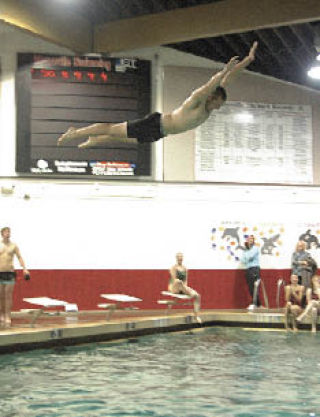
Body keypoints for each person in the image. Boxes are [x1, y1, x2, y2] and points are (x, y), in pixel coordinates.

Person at [57, 42, 258, 148]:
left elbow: (229, 79)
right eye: (218, 104)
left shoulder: (209, 105)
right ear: (212, 98)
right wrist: (223, 70)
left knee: (121, 138)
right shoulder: (197, 100)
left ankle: (96, 139)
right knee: (112, 128)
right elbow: (211, 84)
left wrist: (248, 60)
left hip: (160, 132)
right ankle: (76, 132)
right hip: (155, 123)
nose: (218, 108)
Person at [0, 227, 30, 328]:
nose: (8, 233)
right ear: (2, 234)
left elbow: (19, 257)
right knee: (1, 296)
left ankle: (8, 316)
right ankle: (2, 315)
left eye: (9, 232)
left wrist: (24, 268)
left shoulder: (13, 246)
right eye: (5, 232)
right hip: (0, 272)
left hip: (9, 273)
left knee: (8, 296)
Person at [169, 252, 201, 323]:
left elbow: (186, 281)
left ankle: (197, 316)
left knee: (197, 296)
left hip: (182, 287)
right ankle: (189, 292)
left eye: (181, 257)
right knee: (178, 281)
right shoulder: (173, 268)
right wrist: (183, 287)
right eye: (179, 257)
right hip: (174, 287)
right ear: (176, 258)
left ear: (182, 258)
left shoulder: (185, 268)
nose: (180, 258)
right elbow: (174, 280)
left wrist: (185, 288)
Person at [241, 235, 261, 310]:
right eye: (249, 239)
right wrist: (246, 258)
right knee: (250, 287)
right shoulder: (245, 250)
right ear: (247, 241)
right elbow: (243, 260)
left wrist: (247, 257)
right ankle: (257, 304)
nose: (250, 240)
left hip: (254, 268)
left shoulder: (255, 248)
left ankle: (255, 303)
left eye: (252, 239)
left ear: (253, 241)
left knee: (255, 287)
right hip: (248, 269)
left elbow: (250, 256)